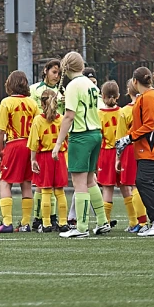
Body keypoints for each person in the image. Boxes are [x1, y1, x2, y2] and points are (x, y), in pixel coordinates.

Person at [52, 52, 110, 238]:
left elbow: (69, 116)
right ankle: (102, 221)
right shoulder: (89, 83)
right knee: (90, 180)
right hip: (95, 133)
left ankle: (81, 227)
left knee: (79, 183)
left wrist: (58, 143)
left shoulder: (73, 85)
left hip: (81, 135)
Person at [122, 67, 154, 236]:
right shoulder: (146, 96)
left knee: (143, 181)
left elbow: (149, 125)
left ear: (135, 81)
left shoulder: (149, 97)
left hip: (152, 147)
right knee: (147, 183)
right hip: (147, 148)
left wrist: (129, 137)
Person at [0, 70, 39, 233]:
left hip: (14, 144)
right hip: (30, 144)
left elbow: (0, 130)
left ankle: (7, 222)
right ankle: (25, 223)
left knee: (5, 181)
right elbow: (38, 126)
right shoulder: (32, 103)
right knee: (26, 183)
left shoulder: (6, 102)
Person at [28, 90, 67, 232]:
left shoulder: (38, 120)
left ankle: (46, 224)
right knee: (60, 192)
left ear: (42, 103)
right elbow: (67, 139)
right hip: (60, 157)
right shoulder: (62, 119)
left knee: (45, 191)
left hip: (44, 157)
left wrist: (33, 159)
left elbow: (33, 142)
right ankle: (63, 223)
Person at [115, 79, 147, 233]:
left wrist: (118, 158)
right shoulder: (147, 106)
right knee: (146, 184)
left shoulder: (124, 111)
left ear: (128, 92)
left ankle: (140, 222)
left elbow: (120, 137)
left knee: (134, 186)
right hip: (147, 147)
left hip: (130, 149)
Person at [97, 81, 121, 227]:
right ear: (118, 96)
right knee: (127, 187)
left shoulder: (98, 114)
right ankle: (135, 221)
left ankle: (105, 221)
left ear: (102, 96)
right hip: (122, 152)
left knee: (107, 188)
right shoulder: (122, 111)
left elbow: (98, 136)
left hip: (106, 153)